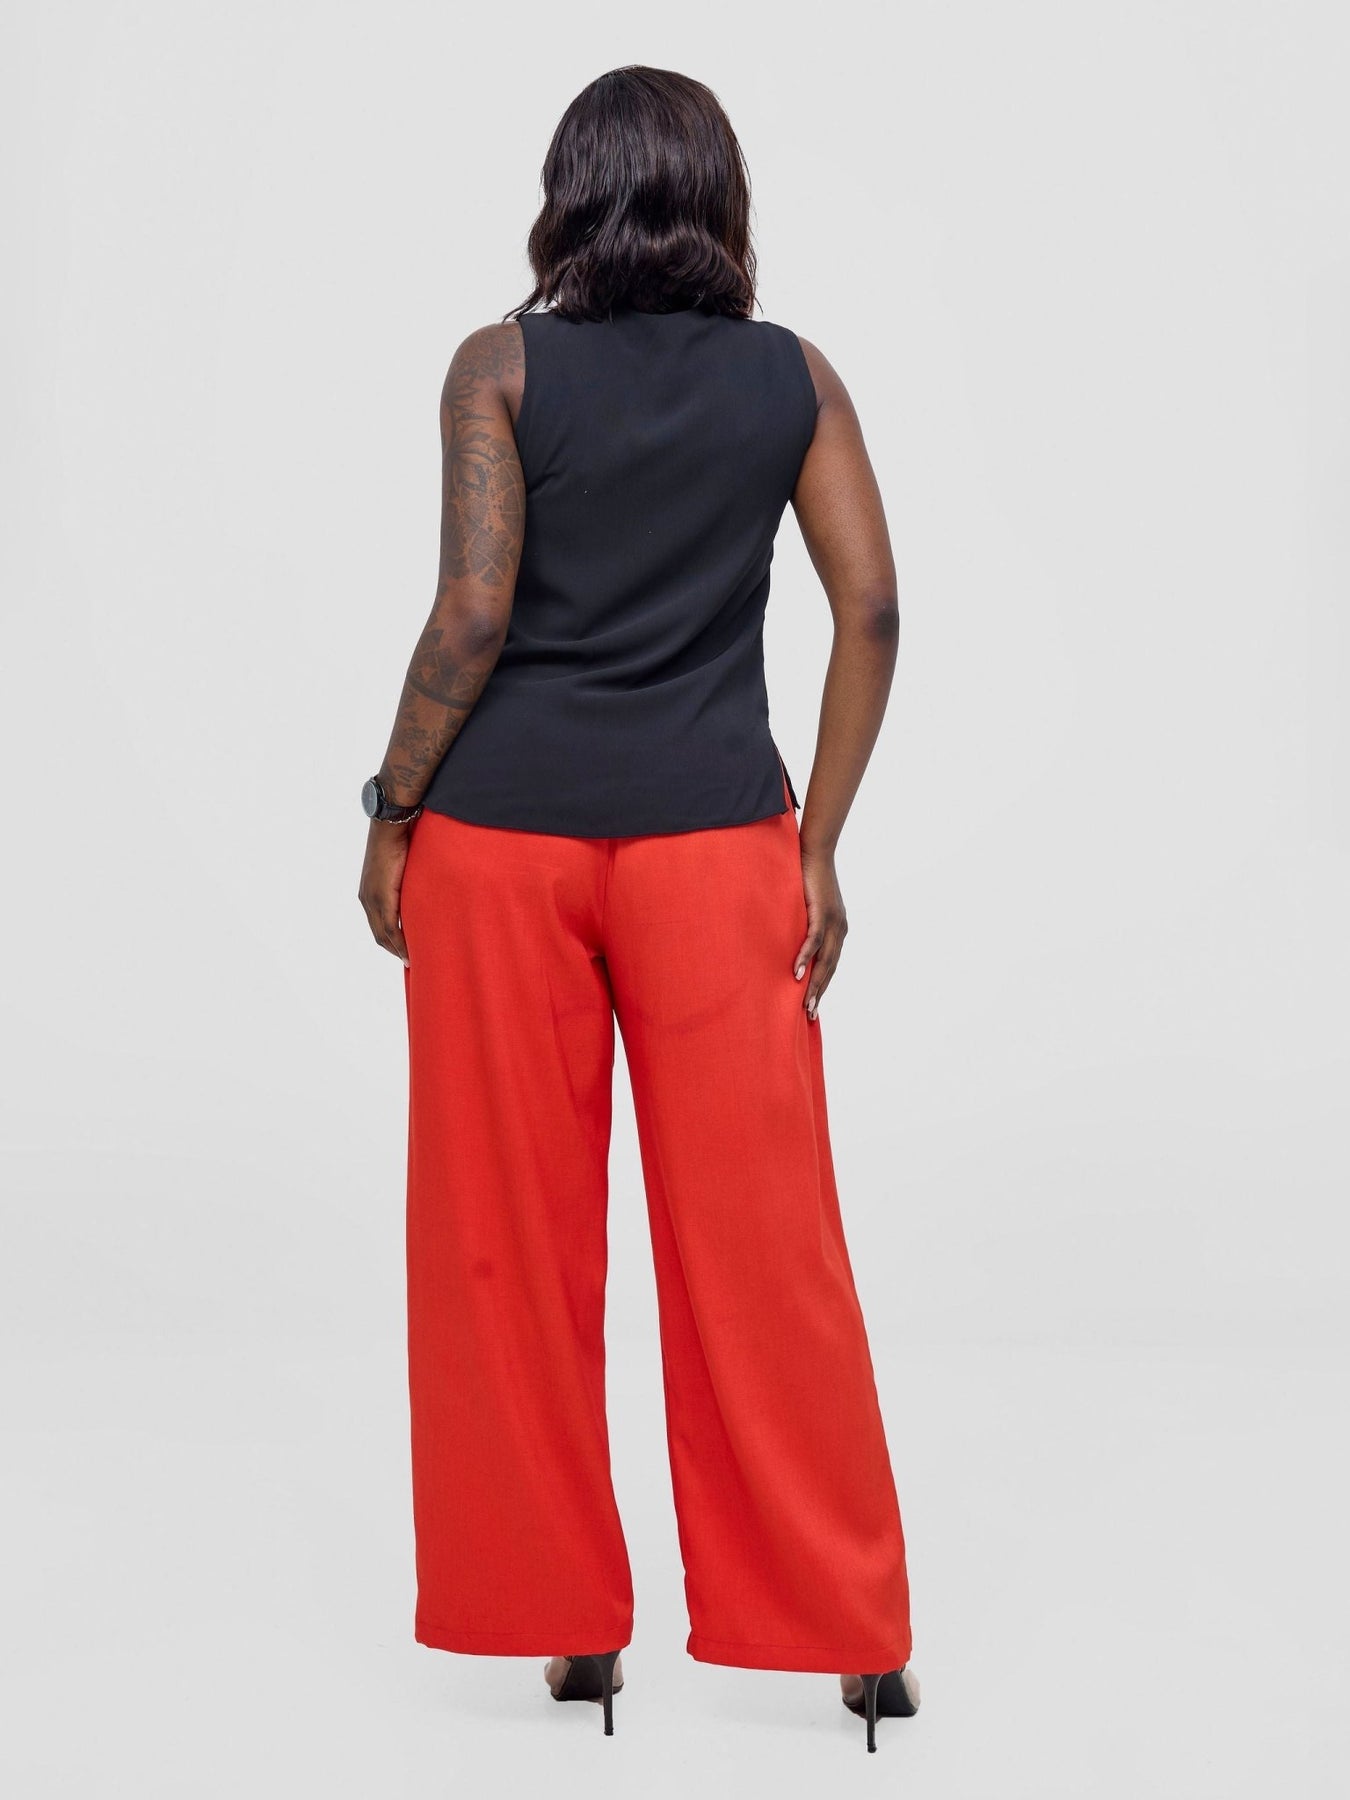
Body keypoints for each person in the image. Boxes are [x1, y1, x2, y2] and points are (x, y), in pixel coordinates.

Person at [357, 64, 920, 1754]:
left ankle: (566, 1629)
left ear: (569, 194)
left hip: (499, 849)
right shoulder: (792, 378)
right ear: (717, 198)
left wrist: (390, 811)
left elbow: (470, 618)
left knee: (503, 1246)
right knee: (768, 1250)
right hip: (715, 846)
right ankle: (854, 1639)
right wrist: (817, 844)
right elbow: (871, 610)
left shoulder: (499, 367)